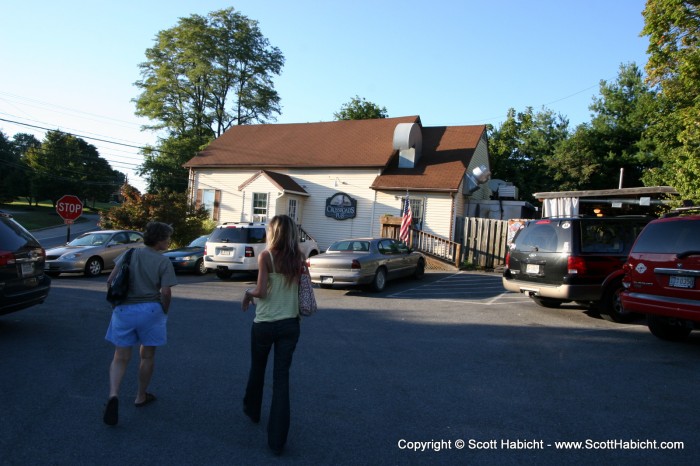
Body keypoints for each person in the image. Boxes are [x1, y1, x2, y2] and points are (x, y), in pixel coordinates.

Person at [102, 222, 178, 426]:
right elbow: (166, 292)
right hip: (150, 310)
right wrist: (165, 310)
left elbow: (110, 281)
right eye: (167, 238)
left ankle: (113, 394)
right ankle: (140, 396)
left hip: (123, 310)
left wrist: (115, 305)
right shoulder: (163, 262)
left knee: (120, 356)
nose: (168, 242)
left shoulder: (129, 254)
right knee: (147, 355)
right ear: (160, 240)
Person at [241, 215, 304, 455]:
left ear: (273, 232)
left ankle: (252, 410)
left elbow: (260, 291)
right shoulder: (299, 257)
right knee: (281, 379)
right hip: (290, 324)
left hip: (265, 324)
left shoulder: (266, 256)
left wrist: (247, 293)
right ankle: (277, 440)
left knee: (258, 368)